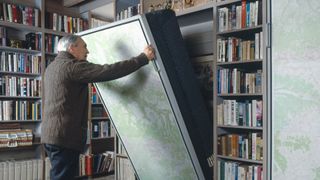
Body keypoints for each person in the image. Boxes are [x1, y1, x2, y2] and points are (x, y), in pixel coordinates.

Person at [41, 34, 155, 180]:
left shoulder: (52, 67)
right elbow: (108, 71)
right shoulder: (72, 67)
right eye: (84, 47)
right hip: (64, 136)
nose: (87, 51)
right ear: (72, 48)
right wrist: (143, 58)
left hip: (52, 135)